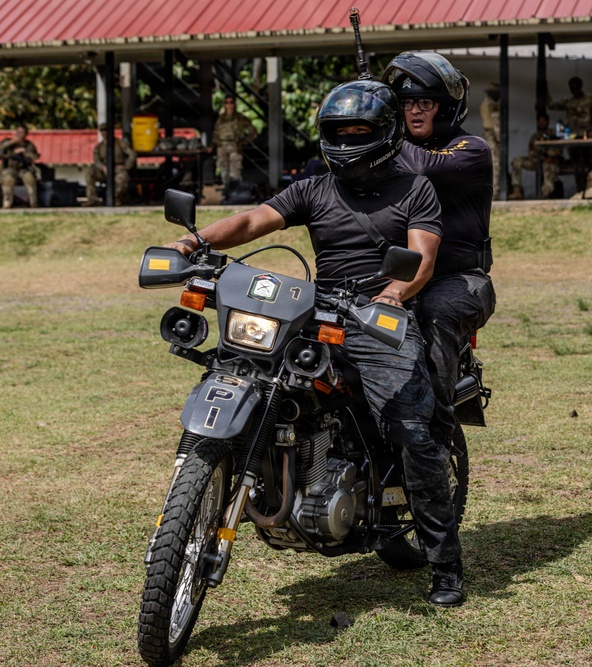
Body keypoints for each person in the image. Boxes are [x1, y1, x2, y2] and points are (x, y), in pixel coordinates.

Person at [166, 79, 466, 607]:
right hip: (317, 311)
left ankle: (445, 566)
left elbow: (421, 257)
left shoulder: (415, 188)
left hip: (377, 318)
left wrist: (395, 293)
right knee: (243, 372)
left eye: (360, 130)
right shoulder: (314, 186)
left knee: (412, 431)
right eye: (338, 131)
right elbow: (255, 219)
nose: (349, 139)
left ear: (385, 133)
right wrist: (198, 240)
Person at [383, 51, 497, 606]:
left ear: (448, 104)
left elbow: (417, 169)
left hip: (458, 282)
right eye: (404, 103)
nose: (414, 110)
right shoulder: (392, 150)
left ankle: (433, 444)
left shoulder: (468, 151)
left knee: (425, 403)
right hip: (397, 278)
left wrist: (372, 117)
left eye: (424, 101)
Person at [548, 76, 592, 190]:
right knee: (577, 165)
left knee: (591, 164)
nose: (575, 91)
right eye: (572, 89)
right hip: (573, 137)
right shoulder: (569, 101)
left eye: (576, 88)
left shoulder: (589, 99)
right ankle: (580, 189)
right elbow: (552, 105)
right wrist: (544, 90)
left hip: (587, 137)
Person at [508, 112, 561, 200]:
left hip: (550, 161)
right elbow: (532, 152)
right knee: (517, 161)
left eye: (543, 121)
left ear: (548, 122)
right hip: (536, 161)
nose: (542, 123)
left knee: (548, 168)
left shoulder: (554, 134)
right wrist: (540, 156)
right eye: (540, 121)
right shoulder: (535, 136)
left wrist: (548, 155)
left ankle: (544, 194)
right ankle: (516, 191)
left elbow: (558, 150)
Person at [0, 125, 40, 208]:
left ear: (26, 134)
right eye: (17, 132)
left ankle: (33, 203)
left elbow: (34, 157)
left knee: (29, 178)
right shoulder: (7, 142)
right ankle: (7, 203)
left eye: (21, 133)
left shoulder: (29, 145)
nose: (19, 134)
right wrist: (9, 143)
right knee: (8, 179)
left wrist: (24, 152)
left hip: (23, 169)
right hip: (9, 168)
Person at [86, 122, 137, 206]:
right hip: (103, 170)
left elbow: (132, 154)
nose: (104, 133)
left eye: (106, 130)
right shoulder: (99, 147)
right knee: (90, 173)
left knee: (122, 177)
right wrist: (103, 167)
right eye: (102, 131)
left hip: (118, 169)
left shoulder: (120, 143)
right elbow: (96, 160)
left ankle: (116, 198)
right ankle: (92, 199)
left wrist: (126, 166)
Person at [212, 95, 256, 185]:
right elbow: (216, 132)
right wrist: (216, 143)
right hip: (222, 146)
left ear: (234, 104)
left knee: (235, 171)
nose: (229, 105)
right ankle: (227, 192)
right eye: (226, 102)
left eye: (231, 102)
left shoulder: (240, 118)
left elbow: (253, 131)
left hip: (235, 146)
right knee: (224, 171)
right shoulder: (221, 119)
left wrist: (245, 141)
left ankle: (236, 193)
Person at [479, 82, 501, 198]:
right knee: (495, 163)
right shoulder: (492, 104)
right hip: (492, 135)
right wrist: (499, 139)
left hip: (487, 134)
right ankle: (495, 192)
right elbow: (496, 124)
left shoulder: (485, 102)